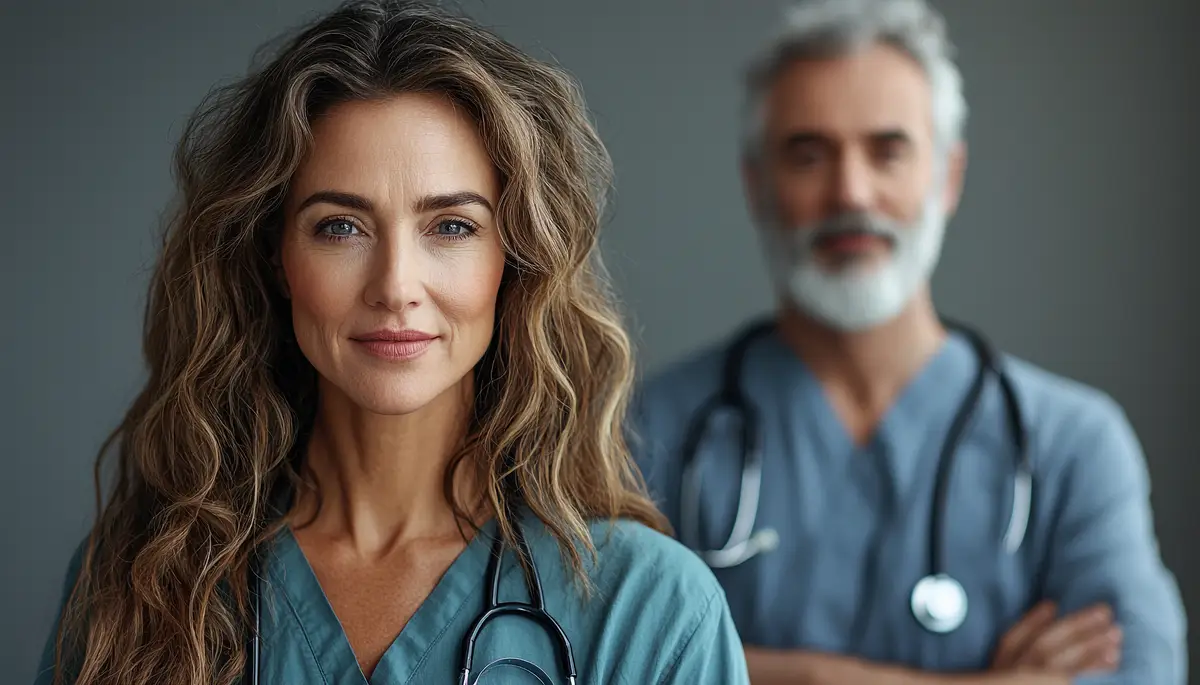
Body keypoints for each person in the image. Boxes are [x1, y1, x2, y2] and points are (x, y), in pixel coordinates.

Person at [33, 2, 752, 684]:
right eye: (340, 226)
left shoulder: (649, 609)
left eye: (451, 226)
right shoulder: (142, 585)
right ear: (276, 258)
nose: (395, 285)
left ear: (515, 260)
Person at [629, 0, 1187, 683]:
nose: (851, 192)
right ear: (757, 185)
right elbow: (608, 658)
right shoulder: (653, 432)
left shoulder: (1071, 446)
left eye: (887, 151)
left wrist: (734, 665)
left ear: (947, 176)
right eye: (808, 155)